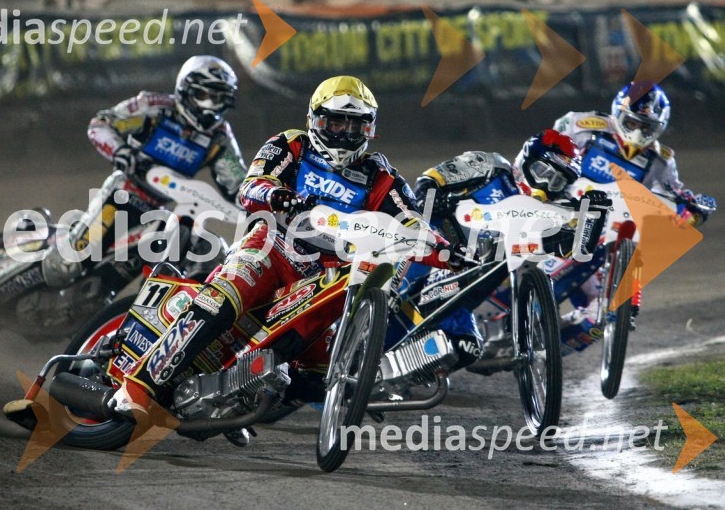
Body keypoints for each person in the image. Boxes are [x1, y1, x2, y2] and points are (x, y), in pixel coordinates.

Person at [108, 75, 467, 443]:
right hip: (271, 248)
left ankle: (233, 400)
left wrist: (448, 253)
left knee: (316, 373)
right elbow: (251, 185)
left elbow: (412, 223)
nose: (344, 134)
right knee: (222, 300)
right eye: (336, 123)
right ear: (316, 120)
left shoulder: (381, 176)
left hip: (322, 278)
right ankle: (140, 386)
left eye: (355, 126)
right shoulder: (291, 144)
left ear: (369, 129)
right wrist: (277, 196)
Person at [390, 131, 595, 371]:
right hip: (435, 251)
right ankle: (377, 308)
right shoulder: (490, 166)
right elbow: (430, 180)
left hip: (461, 294)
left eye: (557, 181)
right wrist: (431, 201)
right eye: (544, 172)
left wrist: (594, 215)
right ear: (526, 159)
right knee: (401, 288)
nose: (546, 185)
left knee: (467, 349)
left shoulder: (551, 211)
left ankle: (391, 375)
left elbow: (574, 250)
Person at [41, 55, 246, 287]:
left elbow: (238, 183)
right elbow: (101, 124)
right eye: (203, 95)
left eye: (218, 100)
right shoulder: (154, 107)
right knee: (67, 264)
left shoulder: (219, 137)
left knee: (206, 250)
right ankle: (43, 249)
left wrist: (260, 203)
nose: (209, 108)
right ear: (185, 89)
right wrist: (120, 151)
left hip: (160, 211)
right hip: (123, 195)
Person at [552, 82, 717, 351]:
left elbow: (675, 194)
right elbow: (543, 153)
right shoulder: (582, 126)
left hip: (604, 241)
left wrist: (694, 208)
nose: (639, 132)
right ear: (618, 113)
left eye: (647, 127)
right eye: (632, 122)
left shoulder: (660, 160)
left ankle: (542, 353)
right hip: (558, 219)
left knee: (603, 314)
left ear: (659, 128)